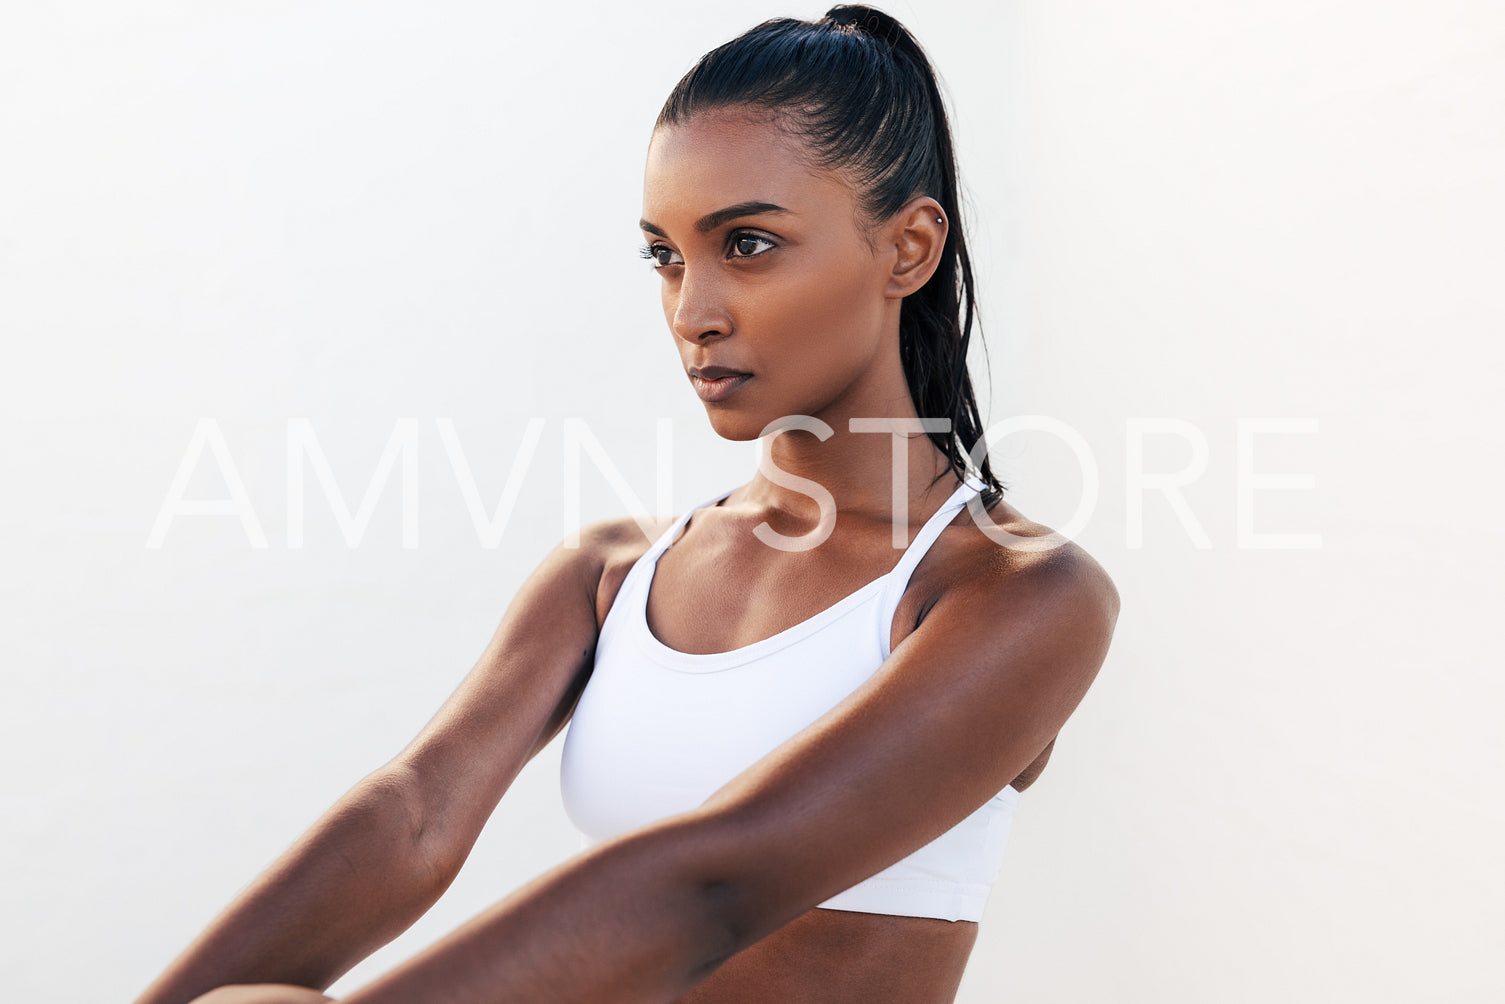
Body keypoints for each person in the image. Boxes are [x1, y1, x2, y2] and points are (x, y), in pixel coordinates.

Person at [133, 6, 1120, 1003]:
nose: (692, 311)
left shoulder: (1015, 595)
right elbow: (417, 817)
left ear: (906, 249)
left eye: (746, 243)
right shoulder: (610, 573)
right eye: (665, 254)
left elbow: (710, 886)